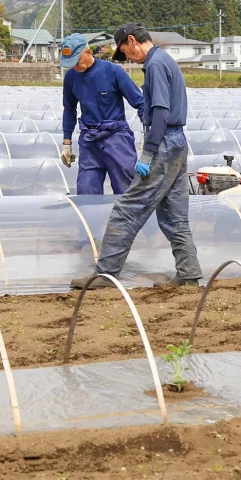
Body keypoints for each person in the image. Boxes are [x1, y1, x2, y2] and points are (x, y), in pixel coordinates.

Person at [72, 23, 202, 289]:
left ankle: (106, 274)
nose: (128, 59)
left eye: (126, 52)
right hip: (177, 142)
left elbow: (161, 112)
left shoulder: (155, 64)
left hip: (164, 142)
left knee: (126, 210)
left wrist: (148, 153)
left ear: (132, 41)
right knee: (174, 215)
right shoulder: (165, 60)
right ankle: (189, 273)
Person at [60, 33, 145, 195]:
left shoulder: (113, 72)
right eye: (70, 63)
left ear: (88, 52)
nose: (74, 66)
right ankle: (91, 220)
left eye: (76, 61)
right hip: (89, 140)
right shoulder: (71, 77)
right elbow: (69, 109)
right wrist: (67, 143)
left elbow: (140, 103)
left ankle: (129, 221)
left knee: (125, 191)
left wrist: (148, 131)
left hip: (116, 139)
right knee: (86, 190)